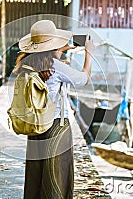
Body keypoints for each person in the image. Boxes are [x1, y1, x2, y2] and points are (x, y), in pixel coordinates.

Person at [13, 20, 94, 199]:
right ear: (53, 44)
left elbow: (49, 63)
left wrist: (60, 50)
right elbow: (83, 79)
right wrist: (89, 53)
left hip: (35, 125)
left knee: (37, 175)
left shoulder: (27, 64)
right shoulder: (56, 67)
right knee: (57, 175)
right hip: (56, 126)